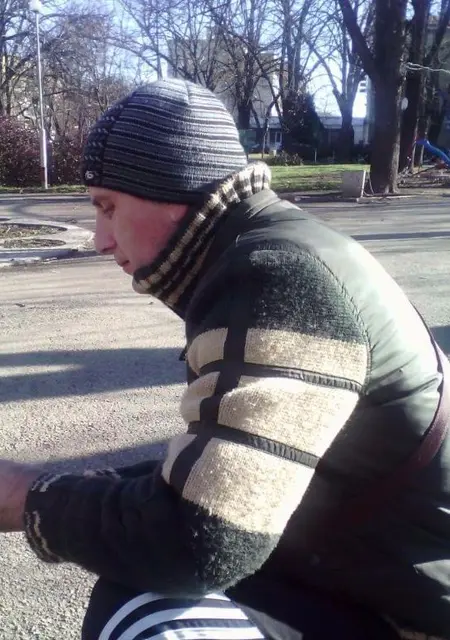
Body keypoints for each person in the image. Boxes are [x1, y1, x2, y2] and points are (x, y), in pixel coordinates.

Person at [0, 78, 449, 640]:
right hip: (351, 566)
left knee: (150, 614)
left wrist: (24, 498)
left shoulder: (278, 277)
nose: (100, 240)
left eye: (108, 207)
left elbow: (200, 542)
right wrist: (61, 488)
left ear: (172, 191)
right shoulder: (267, 248)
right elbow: (215, 470)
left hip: (407, 612)